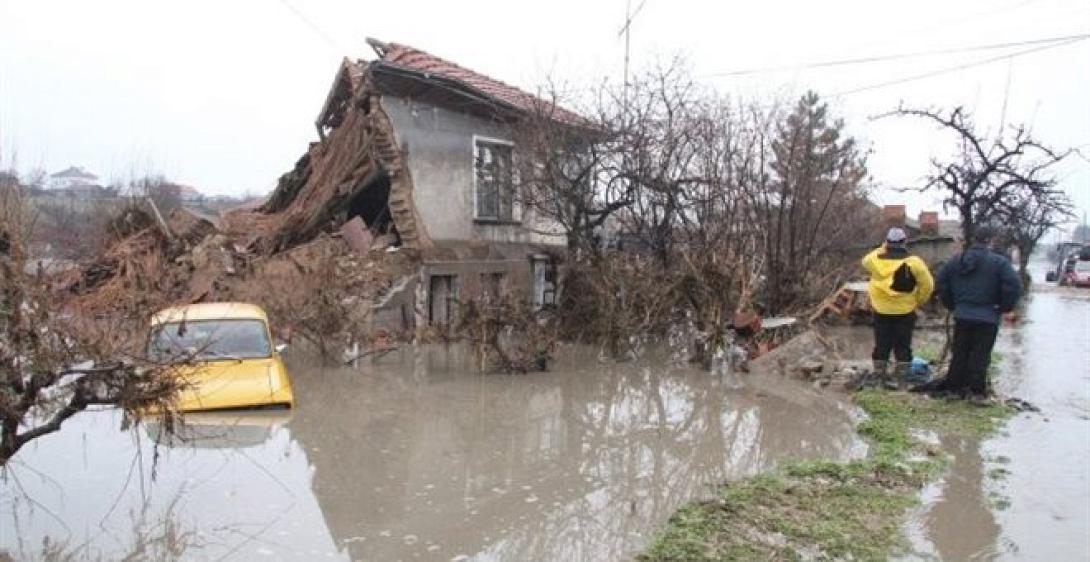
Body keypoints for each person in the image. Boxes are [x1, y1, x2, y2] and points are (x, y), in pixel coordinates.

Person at [931, 226, 1021, 398]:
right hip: (988, 317)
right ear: (991, 241)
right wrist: (1004, 307)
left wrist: (952, 305)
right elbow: (1013, 286)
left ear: (973, 240)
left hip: (962, 315)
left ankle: (953, 389)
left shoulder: (956, 261)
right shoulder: (1000, 263)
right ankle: (976, 393)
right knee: (981, 355)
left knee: (960, 353)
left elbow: (941, 282)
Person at [861, 227, 935, 388]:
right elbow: (928, 285)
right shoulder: (914, 262)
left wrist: (882, 247)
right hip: (905, 311)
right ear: (904, 242)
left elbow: (865, 260)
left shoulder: (874, 260)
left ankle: (880, 377)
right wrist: (918, 301)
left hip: (881, 310)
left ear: (887, 242)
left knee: (881, 344)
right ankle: (902, 380)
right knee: (903, 346)